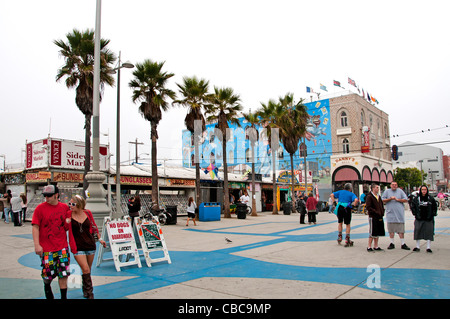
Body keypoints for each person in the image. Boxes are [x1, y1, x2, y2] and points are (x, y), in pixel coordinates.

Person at [31, 185, 71, 299]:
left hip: (62, 246)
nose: (47, 198)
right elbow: (35, 227)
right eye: (45, 196)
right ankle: (47, 289)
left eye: (49, 196)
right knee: (47, 275)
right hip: (47, 248)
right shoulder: (40, 208)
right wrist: (37, 245)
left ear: (56, 195)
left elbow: (66, 226)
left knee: (63, 274)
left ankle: (64, 297)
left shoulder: (64, 207)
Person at [67, 195, 106, 299]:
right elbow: (64, 228)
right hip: (77, 247)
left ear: (79, 205)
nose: (70, 206)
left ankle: (85, 289)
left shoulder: (88, 213)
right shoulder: (68, 214)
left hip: (90, 245)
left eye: (73, 204)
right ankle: (90, 293)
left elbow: (94, 227)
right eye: (69, 204)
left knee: (87, 270)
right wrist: (67, 222)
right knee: (85, 269)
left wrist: (100, 239)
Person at [381, 181, 410, 250]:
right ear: (390, 185)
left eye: (395, 185)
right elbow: (382, 200)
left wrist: (397, 199)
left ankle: (403, 243)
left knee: (401, 230)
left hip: (399, 214)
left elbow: (406, 199)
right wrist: (390, 199)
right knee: (391, 230)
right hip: (390, 214)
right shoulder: (387, 191)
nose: (394, 186)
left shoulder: (400, 191)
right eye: (393, 185)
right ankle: (392, 243)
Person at [411, 185, 438, 253]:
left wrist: (433, 214)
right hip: (419, 218)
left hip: (428, 218)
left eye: (425, 189)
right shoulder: (417, 198)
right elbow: (413, 206)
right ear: (420, 190)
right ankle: (417, 246)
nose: (424, 191)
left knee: (429, 232)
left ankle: (428, 247)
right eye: (422, 189)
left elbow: (435, 207)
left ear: (427, 190)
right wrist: (415, 214)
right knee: (417, 231)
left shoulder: (430, 198)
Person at [365, 184, 385, 251]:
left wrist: (382, 212)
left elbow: (381, 205)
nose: (378, 189)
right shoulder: (369, 196)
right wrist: (376, 212)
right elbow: (368, 207)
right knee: (372, 231)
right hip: (373, 216)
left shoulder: (378, 196)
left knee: (377, 231)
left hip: (379, 216)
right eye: (377, 187)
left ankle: (376, 246)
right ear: (373, 188)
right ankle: (369, 246)